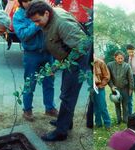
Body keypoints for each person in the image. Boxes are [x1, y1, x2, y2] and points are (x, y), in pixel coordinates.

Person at [27, 0, 92, 141]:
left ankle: (61, 132)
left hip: (77, 60)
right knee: (65, 91)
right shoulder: (50, 16)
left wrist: (64, 63)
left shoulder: (61, 23)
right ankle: (66, 122)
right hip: (69, 59)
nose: (36, 24)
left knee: (68, 95)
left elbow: (83, 45)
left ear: (46, 13)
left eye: (37, 21)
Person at [13, 0, 57, 122]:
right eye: (26, 1)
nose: (30, 2)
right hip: (31, 55)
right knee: (29, 83)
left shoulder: (43, 10)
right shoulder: (19, 15)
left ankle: (50, 108)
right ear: (21, 2)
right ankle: (27, 110)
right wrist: (37, 23)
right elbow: (23, 35)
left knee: (49, 82)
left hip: (48, 53)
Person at [107, 50, 133, 124]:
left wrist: (131, 88)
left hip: (125, 88)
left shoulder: (127, 66)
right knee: (117, 105)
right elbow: (109, 78)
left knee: (125, 105)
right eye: (119, 58)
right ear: (115, 58)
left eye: (122, 58)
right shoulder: (109, 65)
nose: (120, 60)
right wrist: (111, 86)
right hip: (115, 89)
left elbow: (130, 78)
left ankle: (125, 120)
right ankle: (118, 120)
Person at [93, 57, 111, 130]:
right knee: (95, 107)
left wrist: (101, 85)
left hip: (99, 88)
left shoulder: (100, 62)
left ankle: (107, 123)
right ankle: (98, 123)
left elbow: (106, 76)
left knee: (102, 106)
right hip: (91, 88)